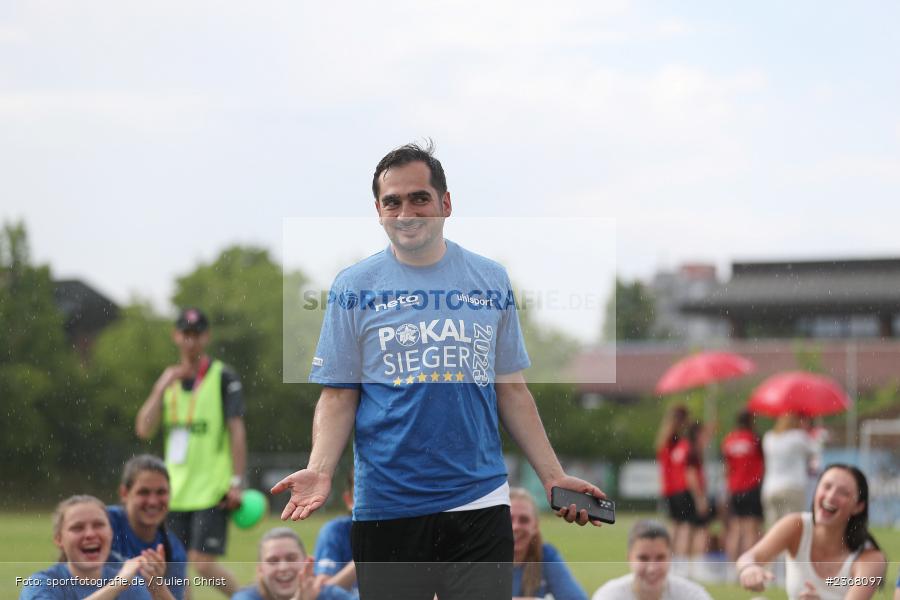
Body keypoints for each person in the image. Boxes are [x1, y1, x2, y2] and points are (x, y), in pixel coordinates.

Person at [272, 141, 606, 600]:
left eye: (419, 198)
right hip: (387, 504)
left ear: (445, 204)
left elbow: (511, 390)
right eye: (393, 202)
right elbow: (339, 394)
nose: (406, 213)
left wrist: (552, 476)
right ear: (379, 211)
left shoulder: (490, 280)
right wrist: (320, 468)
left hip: (478, 500)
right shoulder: (354, 287)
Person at [135, 307, 247, 597]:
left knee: (203, 563)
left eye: (196, 335)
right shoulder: (168, 382)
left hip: (211, 489)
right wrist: (161, 387)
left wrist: (236, 481)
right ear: (176, 336)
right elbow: (144, 428)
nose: (191, 341)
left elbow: (236, 431)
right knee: (175, 570)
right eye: (185, 334)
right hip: (174, 492)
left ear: (206, 337)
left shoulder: (223, 377)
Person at [737, 464, 887, 600]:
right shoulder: (796, 525)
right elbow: (749, 557)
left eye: (843, 493)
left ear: (858, 507)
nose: (831, 496)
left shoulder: (871, 558)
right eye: (826, 486)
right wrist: (749, 569)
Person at [19, 495, 174, 600]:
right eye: (77, 527)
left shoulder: (131, 585)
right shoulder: (41, 583)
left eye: (99, 525)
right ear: (59, 540)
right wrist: (116, 586)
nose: (90, 534)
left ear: (111, 533)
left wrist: (158, 588)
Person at [108, 455, 189, 600]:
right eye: (144, 492)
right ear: (124, 493)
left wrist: (158, 587)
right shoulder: (102, 524)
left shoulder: (174, 551)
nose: (153, 501)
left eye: (161, 492)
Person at [591, 520, 712, 600]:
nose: (652, 569)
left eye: (660, 558)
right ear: (629, 558)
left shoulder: (692, 595)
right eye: (643, 558)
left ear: (670, 558)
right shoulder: (609, 595)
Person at [232, 528, 354, 600]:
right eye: (273, 561)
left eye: (291, 558)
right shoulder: (246, 597)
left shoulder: (328, 594)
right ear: (260, 570)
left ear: (307, 563)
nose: (283, 567)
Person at [509, 487, 587, 600]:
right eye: (509, 519)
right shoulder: (485, 554)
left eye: (524, 520)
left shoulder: (546, 555)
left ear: (535, 526)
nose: (515, 527)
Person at [720, 410, 764, 570]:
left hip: (734, 489)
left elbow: (727, 468)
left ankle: (730, 568)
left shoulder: (729, 440)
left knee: (735, 529)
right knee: (750, 530)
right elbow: (763, 464)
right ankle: (748, 566)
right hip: (751, 488)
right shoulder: (755, 439)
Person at [761, 413, 818, 526]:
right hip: (792, 487)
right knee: (793, 528)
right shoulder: (799, 437)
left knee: (774, 529)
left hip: (770, 488)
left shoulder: (769, 437)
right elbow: (815, 450)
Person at [654, 405, 689, 566]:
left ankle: (669, 559)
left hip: (668, 489)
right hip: (680, 488)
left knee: (673, 526)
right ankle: (679, 562)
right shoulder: (680, 443)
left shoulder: (664, 441)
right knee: (684, 527)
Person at [312, 475, 356, 592]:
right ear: (349, 500)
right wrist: (365, 558)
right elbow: (322, 590)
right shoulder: (336, 532)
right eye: (366, 494)